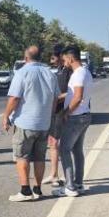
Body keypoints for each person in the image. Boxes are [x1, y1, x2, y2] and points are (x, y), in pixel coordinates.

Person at [1, 45, 58, 202]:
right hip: (44, 124)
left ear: (26, 58)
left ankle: (25, 191)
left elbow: (14, 98)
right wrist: (49, 116)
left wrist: (6, 116)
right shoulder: (50, 74)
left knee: (22, 156)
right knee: (40, 157)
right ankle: (37, 189)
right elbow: (54, 99)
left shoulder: (22, 73)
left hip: (25, 123)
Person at [52, 45, 93, 197]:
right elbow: (73, 94)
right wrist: (60, 97)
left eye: (64, 60)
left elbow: (77, 97)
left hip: (76, 117)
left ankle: (70, 186)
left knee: (64, 149)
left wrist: (65, 112)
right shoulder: (85, 72)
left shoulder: (78, 74)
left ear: (70, 58)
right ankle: (78, 183)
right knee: (77, 150)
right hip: (84, 115)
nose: (63, 63)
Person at [43, 44, 72, 186]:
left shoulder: (69, 71)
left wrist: (57, 97)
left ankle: (67, 178)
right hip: (55, 110)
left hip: (62, 111)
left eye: (54, 56)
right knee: (52, 143)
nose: (52, 59)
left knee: (58, 144)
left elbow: (74, 93)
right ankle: (53, 174)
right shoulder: (59, 70)